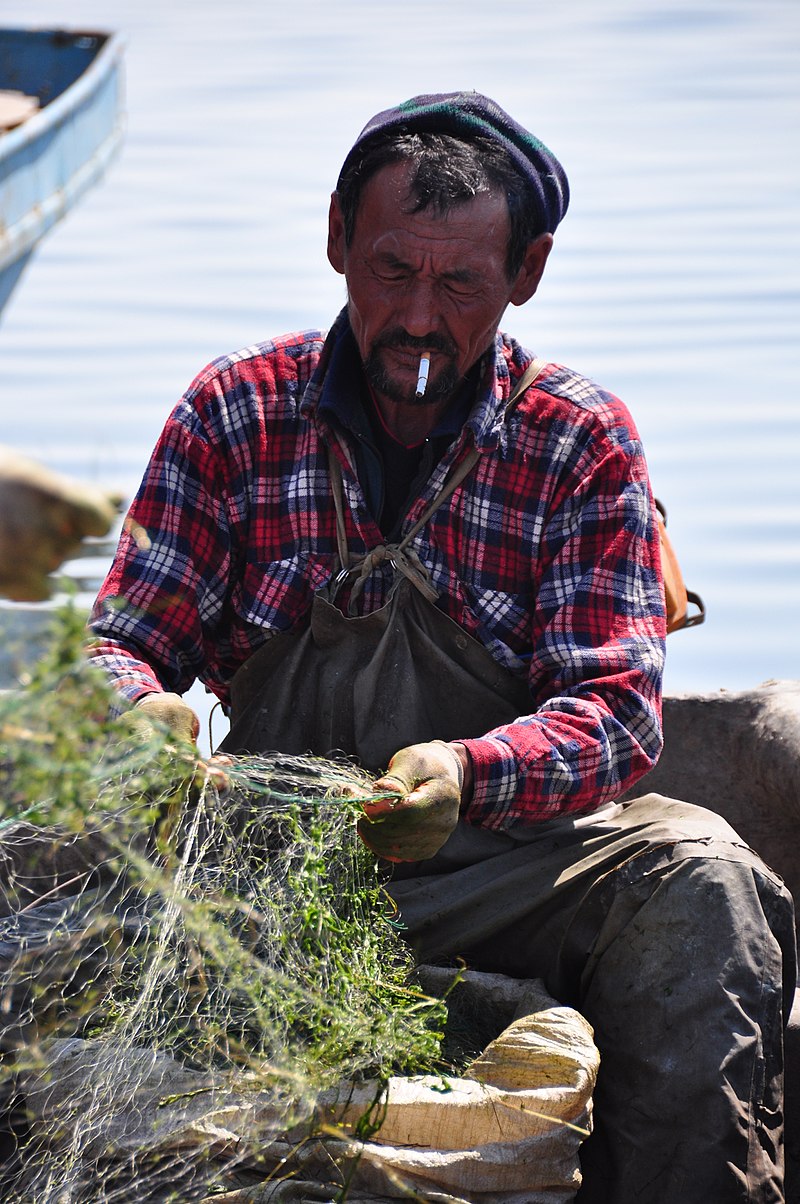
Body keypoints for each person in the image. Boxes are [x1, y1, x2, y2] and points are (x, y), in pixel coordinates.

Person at [88, 93, 796, 1202]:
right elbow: (120, 641)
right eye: (388, 272)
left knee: (703, 883)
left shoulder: (577, 440)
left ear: (527, 273)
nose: (417, 317)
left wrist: (466, 774)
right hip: (269, 867)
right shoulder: (232, 410)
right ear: (335, 242)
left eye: (459, 283)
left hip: (508, 865)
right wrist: (136, 712)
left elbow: (614, 711)